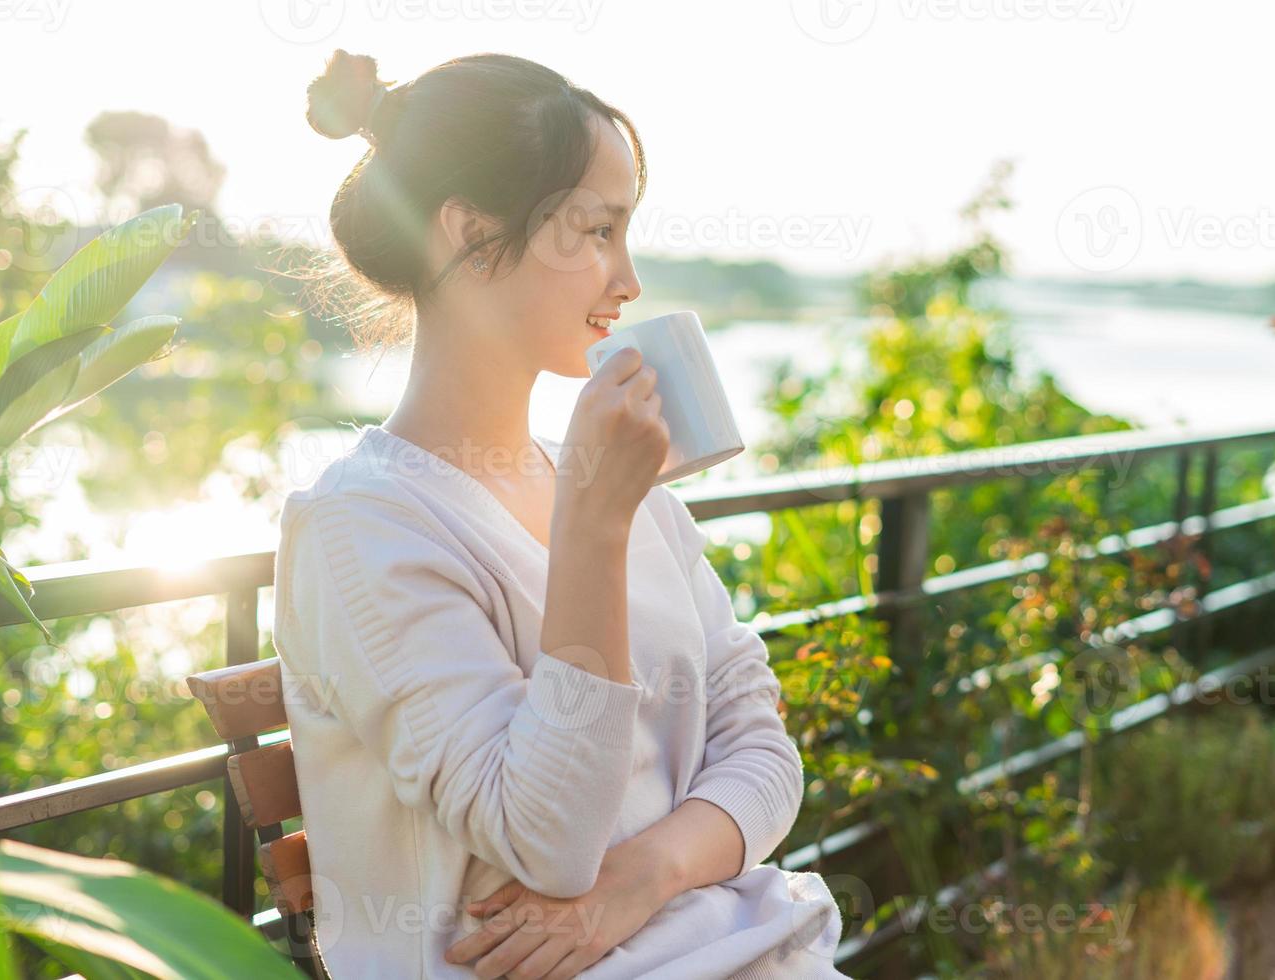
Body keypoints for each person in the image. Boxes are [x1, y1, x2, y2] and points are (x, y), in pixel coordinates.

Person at [272, 48, 848, 978]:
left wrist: (645, 876)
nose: (628, 279)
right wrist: (593, 521)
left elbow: (766, 753)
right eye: (598, 231)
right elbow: (544, 838)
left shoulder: (625, 495)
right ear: (472, 233)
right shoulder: (361, 528)